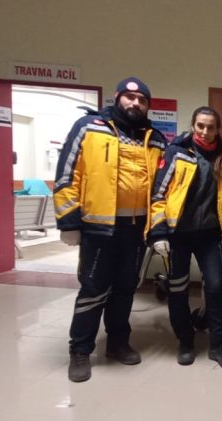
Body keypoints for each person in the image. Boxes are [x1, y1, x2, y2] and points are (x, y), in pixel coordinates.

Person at [54, 77, 168, 382]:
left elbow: (160, 190)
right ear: (117, 98)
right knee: (93, 289)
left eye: (142, 100)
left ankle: (118, 342)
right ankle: (80, 350)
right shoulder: (89, 127)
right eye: (130, 97)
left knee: (125, 289)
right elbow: (67, 174)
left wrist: (156, 230)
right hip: (98, 228)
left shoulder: (155, 139)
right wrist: (68, 221)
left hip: (135, 230)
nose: (135, 103)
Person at [149, 106, 222, 370]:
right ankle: (185, 341)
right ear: (193, 124)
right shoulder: (176, 151)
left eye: (211, 127)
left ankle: (218, 346)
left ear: (217, 129)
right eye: (200, 125)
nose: (205, 131)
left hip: (209, 234)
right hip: (178, 234)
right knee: (178, 289)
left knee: (214, 288)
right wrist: (159, 232)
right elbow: (158, 195)